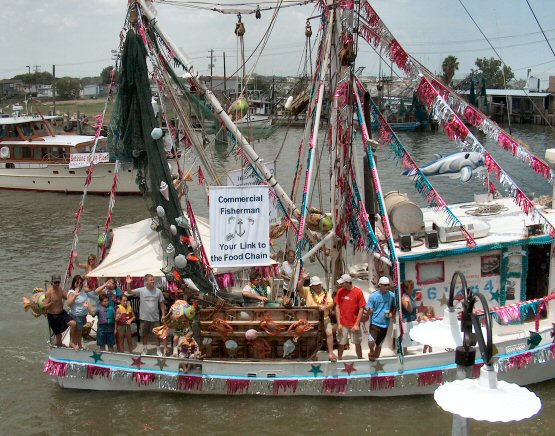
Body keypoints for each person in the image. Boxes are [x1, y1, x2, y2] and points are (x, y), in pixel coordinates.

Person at [126, 274, 166, 356]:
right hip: (144, 318)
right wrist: (128, 283)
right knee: (144, 335)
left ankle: (158, 350)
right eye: (151, 280)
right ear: (146, 281)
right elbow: (129, 292)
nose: (153, 281)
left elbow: (162, 303)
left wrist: (163, 314)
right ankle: (145, 350)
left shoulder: (158, 291)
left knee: (157, 335)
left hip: (155, 318)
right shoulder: (141, 290)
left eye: (153, 280)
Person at [299, 276, 337, 361]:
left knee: (329, 333)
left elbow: (331, 303)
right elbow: (299, 289)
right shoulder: (308, 291)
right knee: (313, 337)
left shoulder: (326, 293)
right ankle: (313, 355)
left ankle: (331, 354)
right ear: (311, 286)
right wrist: (302, 279)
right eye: (315, 285)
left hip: (325, 319)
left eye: (319, 284)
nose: (317, 286)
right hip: (312, 320)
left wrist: (326, 306)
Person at [335, 274, 366, 360]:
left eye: (342, 283)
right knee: (341, 343)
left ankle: (360, 359)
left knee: (357, 342)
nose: (341, 285)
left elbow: (361, 308)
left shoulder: (358, 292)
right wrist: (339, 323)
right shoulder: (340, 291)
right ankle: (339, 359)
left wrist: (357, 324)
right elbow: (337, 307)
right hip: (343, 323)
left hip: (354, 323)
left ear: (348, 283)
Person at [366, 276, 396, 361]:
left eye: (387, 285)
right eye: (384, 285)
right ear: (380, 285)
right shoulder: (373, 296)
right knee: (371, 341)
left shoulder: (392, 295)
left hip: (385, 324)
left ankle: (375, 362)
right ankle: (371, 351)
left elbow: (394, 307)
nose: (387, 287)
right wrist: (369, 311)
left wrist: (392, 314)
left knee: (379, 345)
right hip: (375, 322)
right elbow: (368, 311)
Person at [43, 274, 76, 346]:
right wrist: (51, 303)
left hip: (62, 313)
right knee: (59, 337)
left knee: (73, 323)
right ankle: (57, 348)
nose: (57, 284)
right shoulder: (49, 292)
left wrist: (72, 293)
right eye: (55, 282)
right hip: (53, 316)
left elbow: (65, 297)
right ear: (52, 282)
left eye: (58, 282)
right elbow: (44, 306)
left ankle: (71, 342)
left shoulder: (60, 289)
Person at [66, 275, 94, 350]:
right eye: (77, 282)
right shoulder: (72, 292)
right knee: (78, 332)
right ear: (74, 283)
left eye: (80, 282)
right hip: (76, 315)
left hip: (83, 314)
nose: (79, 284)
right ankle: (75, 344)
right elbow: (68, 303)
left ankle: (78, 344)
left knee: (80, 331)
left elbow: (91, 289)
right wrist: (75, 295)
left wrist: (87, 279)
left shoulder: (82, 289)